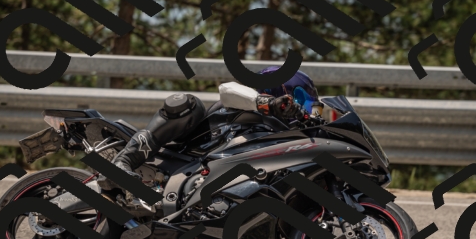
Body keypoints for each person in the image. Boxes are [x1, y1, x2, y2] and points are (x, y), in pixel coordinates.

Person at [98, 67, 319, 189]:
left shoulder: (280, 141)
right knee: (187, 104)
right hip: (184, 156)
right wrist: (267, 104)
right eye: (304, 101)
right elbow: (227, 89)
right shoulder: (246, 103)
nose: (307, 111)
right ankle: (123, 162)